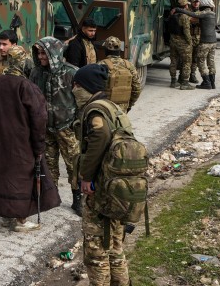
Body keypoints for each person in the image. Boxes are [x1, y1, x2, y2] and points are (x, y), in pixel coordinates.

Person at [0, 45, 60, 232]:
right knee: (20, 179)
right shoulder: (25, 86)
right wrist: (39, 148)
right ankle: (20, 220)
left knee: (2, 178)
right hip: (19, 145)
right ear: (23, 63)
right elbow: (39, 118)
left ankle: (7, 217)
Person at [73, 64, 130, 286]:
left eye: (77, 85)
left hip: (102, 187)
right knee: (115, 245)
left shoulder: (95, 111)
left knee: (96, 251)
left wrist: (86, 177)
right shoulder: (112, 106)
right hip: (118, 186)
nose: (74, 89)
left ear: (87, 86)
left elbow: (100, 137)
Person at [29, 37, 82, 215]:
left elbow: (82, 101)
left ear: (54, 53)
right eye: (38, 53)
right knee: (49, 165)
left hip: (67, 128)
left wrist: (77, 123)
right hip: (46, 129)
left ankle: (78, 199)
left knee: (74, 165)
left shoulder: (72, 73)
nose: (40, 56)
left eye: (44, 53)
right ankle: (52, 197)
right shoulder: (36, 73)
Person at [175, 0, 218, 89]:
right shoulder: (213, 14)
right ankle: (212, 83)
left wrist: (179, 9)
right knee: (211, 62)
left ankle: (206, 83)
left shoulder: (204, 13)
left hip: (205, 42)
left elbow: (192, 14)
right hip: (213, 42)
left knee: (200, 62)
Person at [97, 36, 141, 111]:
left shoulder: (100, 64)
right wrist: (129, 104)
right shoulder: (129, 65)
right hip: (123, 108)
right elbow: (137, 88)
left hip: (105, 107)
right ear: (120, 49)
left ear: (106, 50)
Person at [168, 0, 195, 90]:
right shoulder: (184, 17)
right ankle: (185, 83)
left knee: (173, 61)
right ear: (186, 6)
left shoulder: (172, 14)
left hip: (173, 41)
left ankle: (173, 81)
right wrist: (190, 42)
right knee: (187, 62)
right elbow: (186, 32)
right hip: (183, 43)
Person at [187, 0, 202, 84]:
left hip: (198, 38)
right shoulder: (187, 11)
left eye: (197, 2)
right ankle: (183, 76)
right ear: (191, 2)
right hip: (189, 38)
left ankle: (192, 75)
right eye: (194, 2)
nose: (196, 4)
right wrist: (197, 19)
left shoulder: (201, 11)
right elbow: (188, 19)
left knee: (195, 58)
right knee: (187, 58)